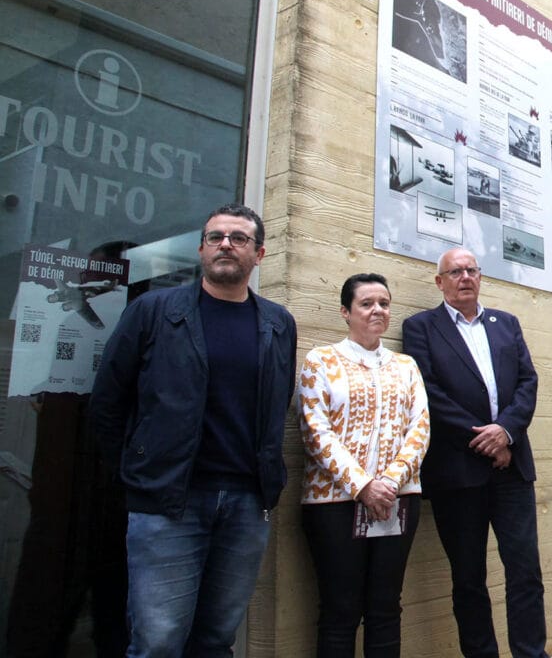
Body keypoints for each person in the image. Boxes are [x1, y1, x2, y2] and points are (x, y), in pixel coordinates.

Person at [89, 204, 298, 656]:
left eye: (239, 238)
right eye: (215, 237)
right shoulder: (154, 310)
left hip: (246, 504)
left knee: (216, 640)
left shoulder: (278, 322)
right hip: (169, 502)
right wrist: (137, 469)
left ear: (259, 254)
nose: (226, 245)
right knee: (158, 642)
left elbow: (277, 400)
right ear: (201, 249)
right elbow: (108, 400)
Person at [401, 248, 550, 658]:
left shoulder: (507, 323)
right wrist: (486, 442)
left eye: (471, 270)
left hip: (512, 468)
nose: (464, 277)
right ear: (440, 282)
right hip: (458, 472)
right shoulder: (420, 327)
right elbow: (428, 393)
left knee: (525, 571)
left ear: (480, 277)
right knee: (468, 578)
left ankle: (531, 653)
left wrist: (506, 432)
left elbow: (528, 382)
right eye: (455, 272)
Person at [298, 273, 431, 657]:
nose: (378, 310)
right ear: (345, 311)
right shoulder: (321, 360)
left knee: (386, 607)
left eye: (384, 304)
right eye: (367, 303)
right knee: (340, 609)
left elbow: (420, 427)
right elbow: (315, 430)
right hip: (333, 504)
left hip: (397, 498)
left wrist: (389, 482)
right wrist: (363, 486)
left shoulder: (406, 365)